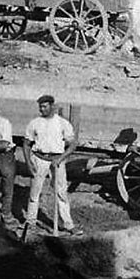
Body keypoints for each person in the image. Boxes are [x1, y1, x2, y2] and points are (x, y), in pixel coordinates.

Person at [22, 94, 82, 235]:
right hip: (39, 158)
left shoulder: (62, 123)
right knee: (34, 193)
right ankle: (30, 222)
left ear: (52, 106)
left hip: (57, 161)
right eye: (40, 107)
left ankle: (68, 224)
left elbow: (73, 144)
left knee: (61, 192)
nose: (41, 109)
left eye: (44, 106)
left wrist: (60, 158)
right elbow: (26, 144)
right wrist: (29, 163)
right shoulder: (34, 123)